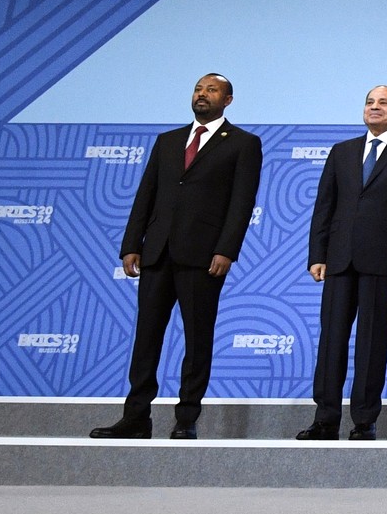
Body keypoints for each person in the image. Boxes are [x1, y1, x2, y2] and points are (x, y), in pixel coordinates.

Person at [91, 74, 263, 440]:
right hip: (157, 253)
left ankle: (186, 419)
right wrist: (131, 244)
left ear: (228, 100)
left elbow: (242, 202)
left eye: (211, 90)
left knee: (197, 339)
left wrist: (226, 249)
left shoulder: (244, 144)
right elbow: (146, 194)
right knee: (146, 337)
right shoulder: (167, 141)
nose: (202, 95)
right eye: (198, 89)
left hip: (204, 257)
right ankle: (135, 417)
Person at [296, 85, 387, 441]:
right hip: (339, 260)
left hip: (382, 261)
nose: (374, 108)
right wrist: (318, 254)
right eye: (370, 102)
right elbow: (324, 207)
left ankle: (364, 420)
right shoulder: (342, 152)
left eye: (383, 103)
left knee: (372, 341)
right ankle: (325, 419)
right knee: (331, 340)